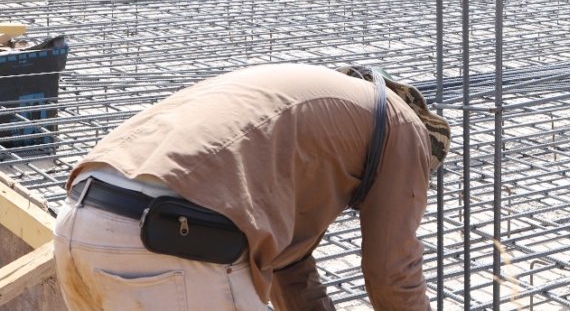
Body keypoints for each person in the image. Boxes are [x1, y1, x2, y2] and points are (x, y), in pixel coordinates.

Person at [52, 63, 451, 311]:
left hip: (79, 224)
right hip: (169, 245)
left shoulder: (316, 115)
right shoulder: (404, 130)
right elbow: (391, 272)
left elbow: (290, 272)